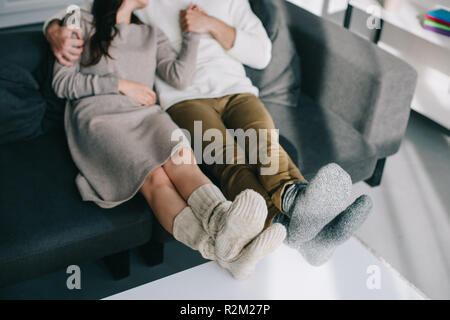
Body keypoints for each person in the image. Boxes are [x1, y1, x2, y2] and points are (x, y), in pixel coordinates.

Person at [45, 0, 372, 267]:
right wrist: (53, 29)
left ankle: (297, 205)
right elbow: (78, 17)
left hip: (236, 91)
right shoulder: (145, 9)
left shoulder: (226, 3)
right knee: (227, 158)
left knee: (263, 145)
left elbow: (261, 54)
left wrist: (207, 26)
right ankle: (300, 231)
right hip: (185, 102)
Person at [51, 0, 286, 280]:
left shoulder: (150, 33)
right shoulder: (80, 23)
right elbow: (62, 83)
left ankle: (226, 226)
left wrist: (193, 33)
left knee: (183, 160)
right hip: (99, 116)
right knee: (155, 178)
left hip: (145, 114)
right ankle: (222, 251)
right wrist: (120, 85)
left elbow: (180, 78)